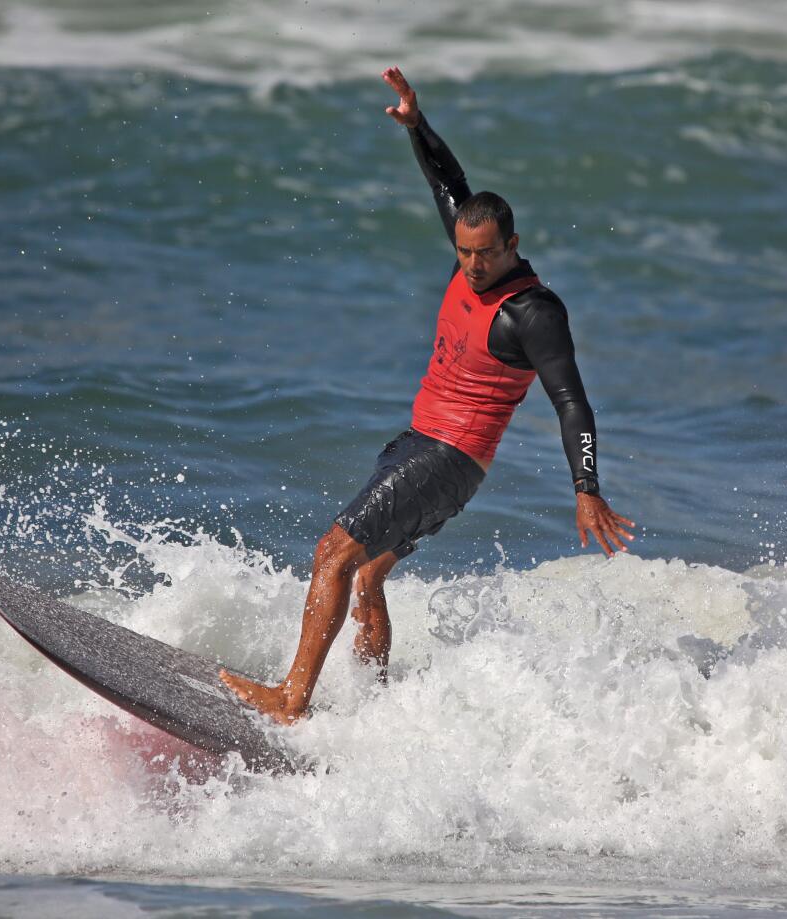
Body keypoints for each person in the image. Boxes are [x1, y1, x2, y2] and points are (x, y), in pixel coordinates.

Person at [220, 67, 634, 725]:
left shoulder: (533, 312)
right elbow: (447, 183)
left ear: (513, 245)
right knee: (367, 574)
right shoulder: (469, 254)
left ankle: (291, 699)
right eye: (464, 252)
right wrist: (419, 125)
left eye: (486, 255)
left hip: (446, 456)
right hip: (427, 449)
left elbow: (571, 400)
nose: (472, 266)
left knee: (332, 553)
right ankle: (369, 706)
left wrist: (586, 485)